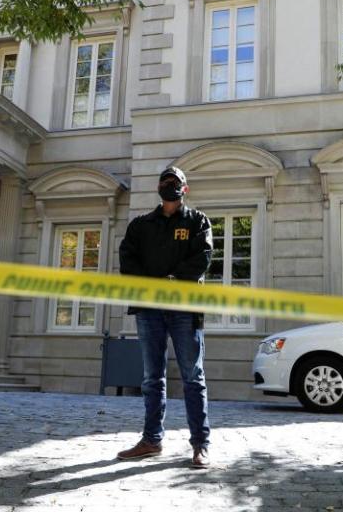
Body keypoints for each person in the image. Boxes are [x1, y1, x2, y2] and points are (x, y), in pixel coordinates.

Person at [116, 166, 213, 468]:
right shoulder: (141, 225)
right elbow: (127, 258)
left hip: (184, 308)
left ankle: (200, 444)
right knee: (151, 378)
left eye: (176, 182)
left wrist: (171, 281)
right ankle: (151, 440)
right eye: (165, 182)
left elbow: (202, 258)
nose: (169, 186)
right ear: (158, 188)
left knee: (192, 378)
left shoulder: (198, 221)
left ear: (185, 188)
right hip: (149, 309)